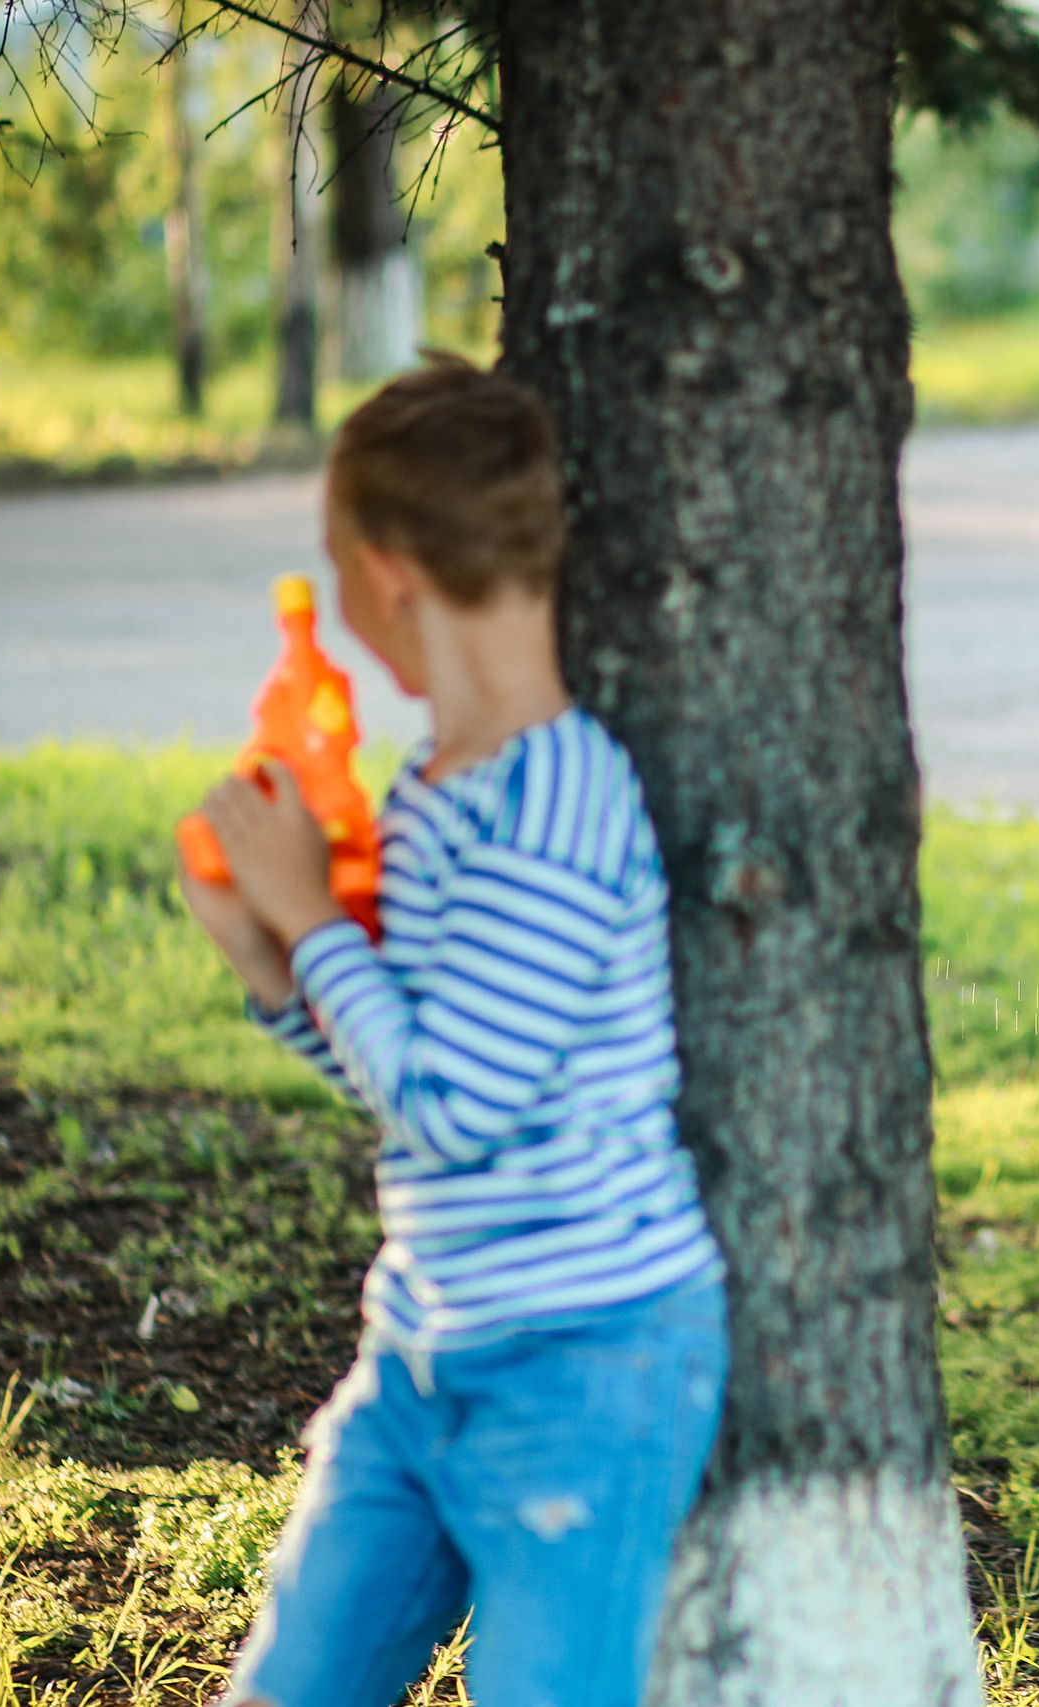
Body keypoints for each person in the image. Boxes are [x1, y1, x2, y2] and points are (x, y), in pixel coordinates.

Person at [179, 355, 727, 1707]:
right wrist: (269, 962)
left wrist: (312, 919)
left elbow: (455, 1102)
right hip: (424, 1349)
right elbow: (411, 1071)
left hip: (584, 1361)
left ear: (386, 578)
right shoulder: (433, 787)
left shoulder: (558, 797)